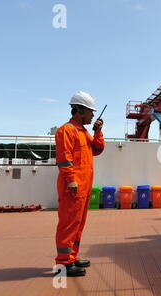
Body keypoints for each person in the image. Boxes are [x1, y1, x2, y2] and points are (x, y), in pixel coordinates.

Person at [55, 91, 105, 277]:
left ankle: (72, 257)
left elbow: (97, 150)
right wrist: (71, 181)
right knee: (68, 224)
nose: (93, 115)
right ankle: (63, 263)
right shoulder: (66, 130)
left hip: (83, 187)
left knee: (78, 224)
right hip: (73, 187)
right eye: (91, 112)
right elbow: (64, 159)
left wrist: (98, 132)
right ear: (80, 110)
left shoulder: (83, 132)